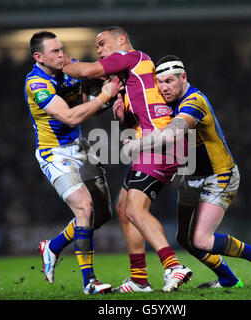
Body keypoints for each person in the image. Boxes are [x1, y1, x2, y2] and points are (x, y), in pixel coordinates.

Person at [124, 55, 251, 289]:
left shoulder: (194, 101)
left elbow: (174, 133)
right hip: (191, 178)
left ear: (183, 77)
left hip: (219, 177)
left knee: (201, 239)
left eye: (169, 81)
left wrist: (138, 145)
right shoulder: (169, 102)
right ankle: (229, 280)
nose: (164, 88)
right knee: (185, 239)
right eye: (160, 83)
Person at [63, 26, 193, 293]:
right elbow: (131, 122)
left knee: (135, 209)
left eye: (102, 43)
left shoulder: (131, 57)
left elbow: (86, 72)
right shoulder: (131, 79)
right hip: (150, 146)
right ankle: (139, 279)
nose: (99, 49)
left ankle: (173, 266)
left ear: (121, 40)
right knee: (123, 209)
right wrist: (122, 117)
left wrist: (64, 63)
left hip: (159, 146)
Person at [24, 31, 123, 294]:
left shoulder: (69, 67)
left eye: (61, 49)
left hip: (80, 147)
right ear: (39, 57)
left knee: (101, 215)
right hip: (54, 153)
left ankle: (53, 246)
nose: (61, 54)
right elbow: (69, 117)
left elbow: (91, 102)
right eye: (55, 51)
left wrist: (111, 94)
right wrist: (104, 96)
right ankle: (89, 282)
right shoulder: (36, 83)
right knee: (84, 208)